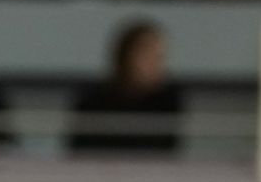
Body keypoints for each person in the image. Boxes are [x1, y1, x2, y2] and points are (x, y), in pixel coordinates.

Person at [70, 21, 184, 154]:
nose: (155, 64)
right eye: (148, 55)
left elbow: (168, 152)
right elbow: (80, 152)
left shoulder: (168, 101)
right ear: (126, 56)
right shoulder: (93, 100)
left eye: (159, 57)